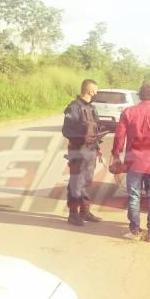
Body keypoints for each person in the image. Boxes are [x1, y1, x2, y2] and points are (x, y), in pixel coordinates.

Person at [111, 81, 150, 242]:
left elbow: (119, 136)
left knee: (134, 196)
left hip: (134, 163)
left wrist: (116, 154)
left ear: (139, 95)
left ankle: (135, 231)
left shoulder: (128, 112)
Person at [62, 79, 103, 226]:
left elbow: (96, 129)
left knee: (86, 181)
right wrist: (82, 136)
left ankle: (84, 211)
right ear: (90, 91)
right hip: (78, 150)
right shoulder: (73, 107)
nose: (97, 93)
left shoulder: (92, 108)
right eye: (96, 90)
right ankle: (73, 213)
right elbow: (66, 130)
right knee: (76, 182)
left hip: (91, 151)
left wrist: (98, 148)